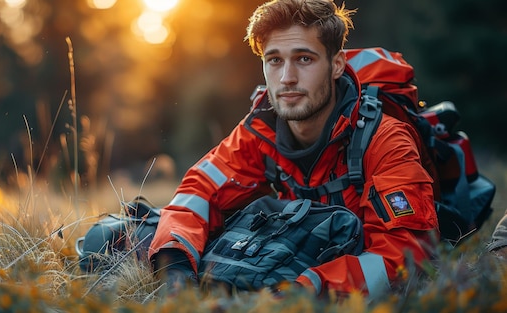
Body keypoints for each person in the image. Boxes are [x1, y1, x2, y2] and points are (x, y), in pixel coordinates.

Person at [149, 0, 438, 298]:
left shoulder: (385, 139)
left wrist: (303, 291)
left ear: (336, 65)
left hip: (332, 275)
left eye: (304, 59)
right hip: (300, 252)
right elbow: (197, 194)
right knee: (139, 229)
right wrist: (176, 270)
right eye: (274, 60)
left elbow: (406, 253)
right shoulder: (259, 131)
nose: (287, 78)